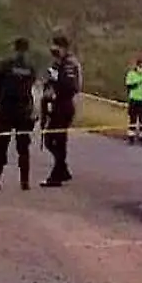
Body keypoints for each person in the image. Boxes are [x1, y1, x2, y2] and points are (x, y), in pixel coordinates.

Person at [0, 37, 38, 190]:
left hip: (7, 108)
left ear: (15, 48)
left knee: (1, 145)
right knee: (23, 147)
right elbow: (31, 84)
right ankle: (25, 182)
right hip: (23, 110)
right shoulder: (30, 67)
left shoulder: (6, 64)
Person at [40, 34, 82, 187]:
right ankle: (62, 169)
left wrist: (56, 85)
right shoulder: (58, 63)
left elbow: (70, 86)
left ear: (63, 48)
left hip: (64, 104)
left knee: (57, 139)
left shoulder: (70, 63)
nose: (54, 50)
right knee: (51, 140)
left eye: (57, 47)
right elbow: (49, 80)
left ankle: (57, 175)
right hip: (55, 105)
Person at [124, 57, 142, 144]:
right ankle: (131, 137)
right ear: (137, 66)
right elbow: (129, 86)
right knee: (133, 119)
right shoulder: (131, 74)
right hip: (134, 99)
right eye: (140, 66)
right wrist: (140, 81)